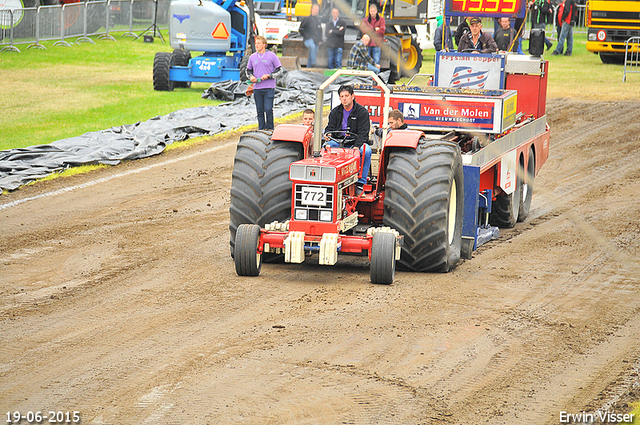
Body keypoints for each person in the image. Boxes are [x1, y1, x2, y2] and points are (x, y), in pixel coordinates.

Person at [324, 85, 372, 196]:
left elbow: (363, 133)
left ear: (352, 96)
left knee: (366, 150)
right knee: (326, 147)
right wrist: (328, 134)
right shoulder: (335, 112)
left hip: (354, 142)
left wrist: (356, 146)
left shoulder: (362, 112)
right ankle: (329, 178)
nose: (344, 98)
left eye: (346, 96)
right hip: (338, 141)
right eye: (342, 96)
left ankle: (360, 183)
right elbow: (329, 128)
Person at [247, 35, 284, 131]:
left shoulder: (272, 56)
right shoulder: (252, 57)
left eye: (259, 43)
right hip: (257, 88)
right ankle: (261, 129)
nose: (257, 45)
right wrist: (251, 77)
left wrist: (269, 76)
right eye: (256, 43)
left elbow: (280, 70)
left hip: (269, 87)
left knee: (268, 109)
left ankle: (270, 129)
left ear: (264, 45)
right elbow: (248, 71)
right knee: (259, 111)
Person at [299, 3, 323, 68]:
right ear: (311, 10)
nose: (316, 11)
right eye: (315, 9)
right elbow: (301, 29)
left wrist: (320, 40)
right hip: (308, 40)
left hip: (316, 41)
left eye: (317, 10)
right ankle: (314, 63)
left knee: (313, 52)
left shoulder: (318, 21)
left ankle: (308, 68)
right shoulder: (307, 19)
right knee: (312, 47)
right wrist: (307, 37)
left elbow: (320, 31)